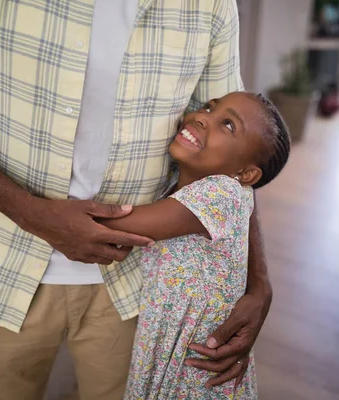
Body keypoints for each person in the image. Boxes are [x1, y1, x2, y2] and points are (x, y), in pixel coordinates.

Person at [0, 1, 274, 399]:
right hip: (0, 267)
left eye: (218, 116)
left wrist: (259, 283)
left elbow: (238, 161)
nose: (205, 116)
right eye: (207, 111)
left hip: (137, 284)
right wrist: (28, 210)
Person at [96, 92, 290, 399]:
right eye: (210, 107)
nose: (202, 116)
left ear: (246, 174)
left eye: (227, 125)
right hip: (169, 349)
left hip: (194, 369)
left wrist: (49, 214)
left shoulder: (221, 194)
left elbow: (112, 225)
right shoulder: (190, 179)